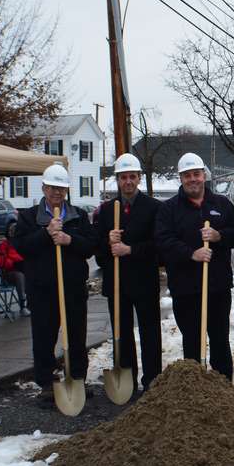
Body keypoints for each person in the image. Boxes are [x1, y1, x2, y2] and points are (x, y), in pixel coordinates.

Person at [12, 163, 98, 406]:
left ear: (67, 190)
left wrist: (70, 239)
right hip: (42, 289)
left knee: (76, 335)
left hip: (73, 287)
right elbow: (21, 247)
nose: (56, 192)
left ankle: (77, 378)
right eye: (52, 187)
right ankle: (47, 383)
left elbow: (91, 246)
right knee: (43, 336)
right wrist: (46, 233)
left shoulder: (78, 216)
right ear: (44, 188)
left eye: (61, 188)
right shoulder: (29, 217)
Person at [155, 153, 234, 379]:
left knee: (219, 337)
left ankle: (223, 382)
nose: (192, 179)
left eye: (196, 174)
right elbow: (163, 241)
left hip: (217, 286)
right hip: (185, 287)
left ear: (204, 175)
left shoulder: (222, 204)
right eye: (187, 175)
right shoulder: (169, 209)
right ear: (181, 178)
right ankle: (193, 385)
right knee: (191, 338)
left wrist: (219, 235)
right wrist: (191, 253)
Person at [96, 153, 162, 392]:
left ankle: (152, 378)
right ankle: (127, 379)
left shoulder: (154, 208)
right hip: (117, 284)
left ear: (139, 178)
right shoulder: (106, 210)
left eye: (132, 176)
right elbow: (96, 251)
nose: (128, 182)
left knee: (150, 332)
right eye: (123, 177)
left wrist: (130, 249)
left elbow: (159, 246)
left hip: (144, 281)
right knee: (121, 333)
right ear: (117, 180)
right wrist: (107, 241)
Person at [0, 222, 31, 317]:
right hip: (8, 274)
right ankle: (22, 306)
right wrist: (14, 262)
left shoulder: (22, 243)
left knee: (32, 274)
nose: (13, 234)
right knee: (20, 276)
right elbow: (0, 262)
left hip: (23, 270)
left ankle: (30, 303)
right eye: (12, 231)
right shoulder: (4, 244)